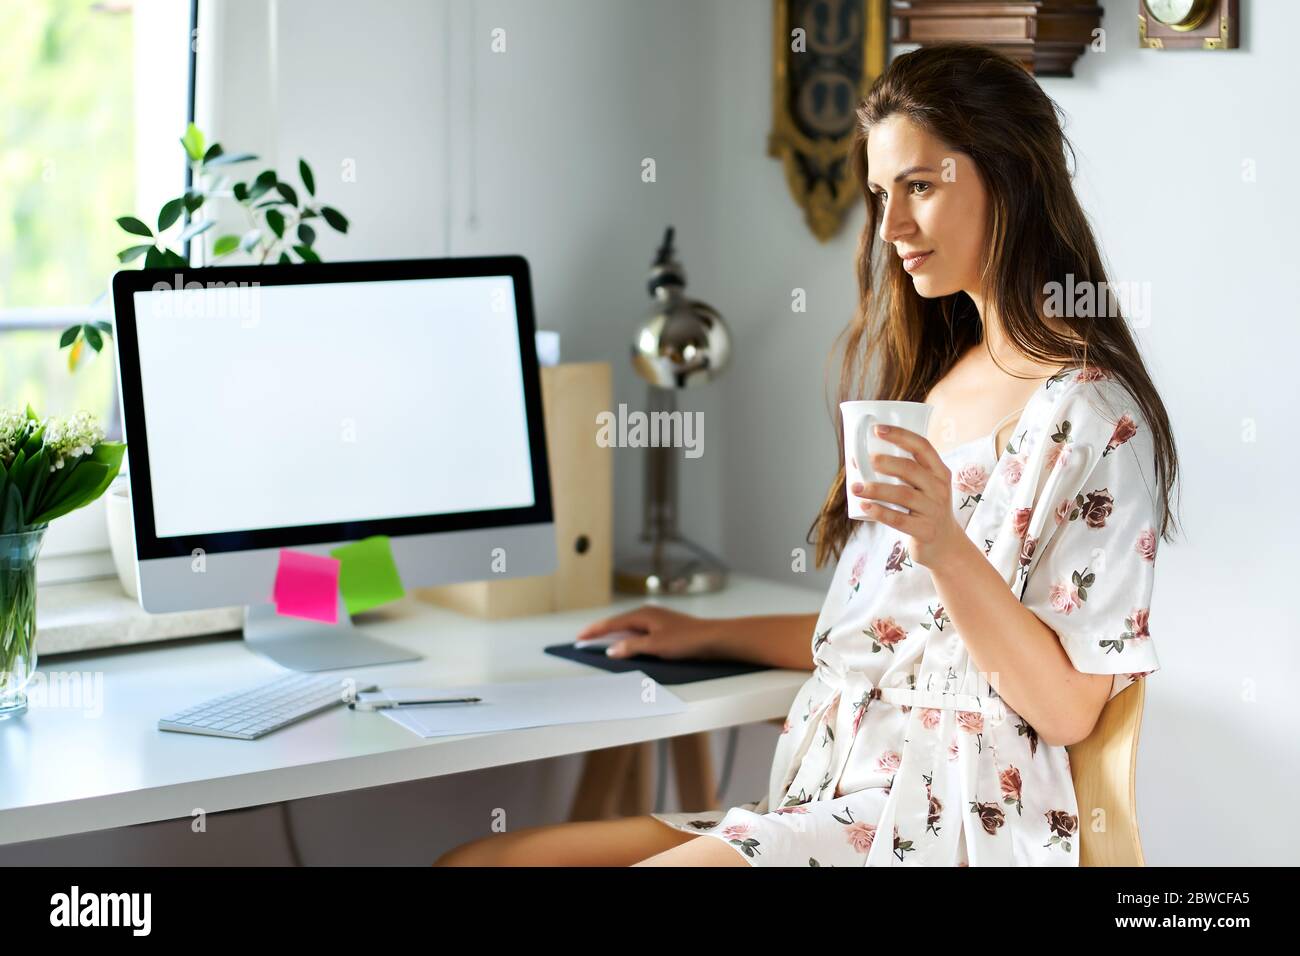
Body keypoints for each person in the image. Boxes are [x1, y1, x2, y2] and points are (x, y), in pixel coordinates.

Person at [434, 41, 1181, 867]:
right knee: (480, 862)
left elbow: (1073, 711)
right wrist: (705, 634)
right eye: (879, 194)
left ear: (1010, 175)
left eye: (920, 187)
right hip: (819, 791)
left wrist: (944, 545)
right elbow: (897, 637)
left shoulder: (1093, 415)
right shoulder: (941, 380)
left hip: (945, 818)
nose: (891, 227)